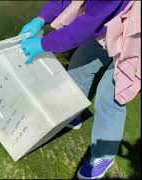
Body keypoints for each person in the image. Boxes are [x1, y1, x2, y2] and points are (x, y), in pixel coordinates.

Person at [18, 0, 140, 179]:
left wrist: (43, 44)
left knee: (110, 96)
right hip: (108, 23)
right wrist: (41, 18)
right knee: (78, 67)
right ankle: (74, 112)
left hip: (134, 35)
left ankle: (104, 155)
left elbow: (86, 26)